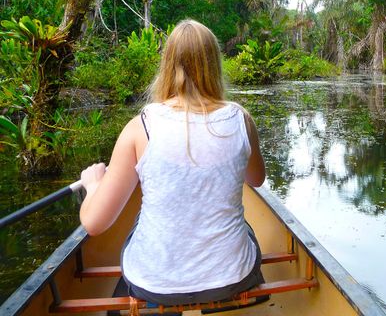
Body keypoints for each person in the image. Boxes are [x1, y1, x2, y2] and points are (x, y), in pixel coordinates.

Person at [79, 19, 266, 308]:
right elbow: (256, 180)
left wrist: (93, 185)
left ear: (167, 65)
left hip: (154, 284)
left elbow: (93, 223)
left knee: (139, 222)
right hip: (233, 277)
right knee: (247, 228)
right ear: (214, 66)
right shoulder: (242, 119)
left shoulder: (140, 126)